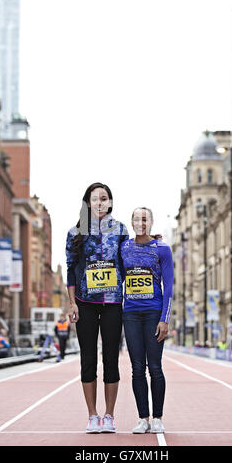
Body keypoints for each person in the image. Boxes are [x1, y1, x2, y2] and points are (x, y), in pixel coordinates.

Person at [66, 182, 128, 434]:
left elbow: (129, 260)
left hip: (113, 302)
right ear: (88, 203)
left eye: (104, 198)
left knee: (111, 359)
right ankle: (92, 416)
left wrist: (148, 242)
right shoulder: (74, 232)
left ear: (110, 202)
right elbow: (70, 270)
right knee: (88, 359)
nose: (100, 203)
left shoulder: (121, 230)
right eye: (95, 199)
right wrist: (72, 303)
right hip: (85, 303)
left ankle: (110, 416)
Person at [121, 207, 174, 434]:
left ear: (151, 222)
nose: (141, 222)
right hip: (130, 313)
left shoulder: (163, 249)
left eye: (145, 218)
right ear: (131, 222)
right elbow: (117, 277)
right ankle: (143, 418)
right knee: (136, 368)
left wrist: (165, 318)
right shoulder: (123, 248)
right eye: (137, 218)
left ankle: (158, 418)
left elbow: (169, 287)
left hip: (154, 312)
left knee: (155, 367)